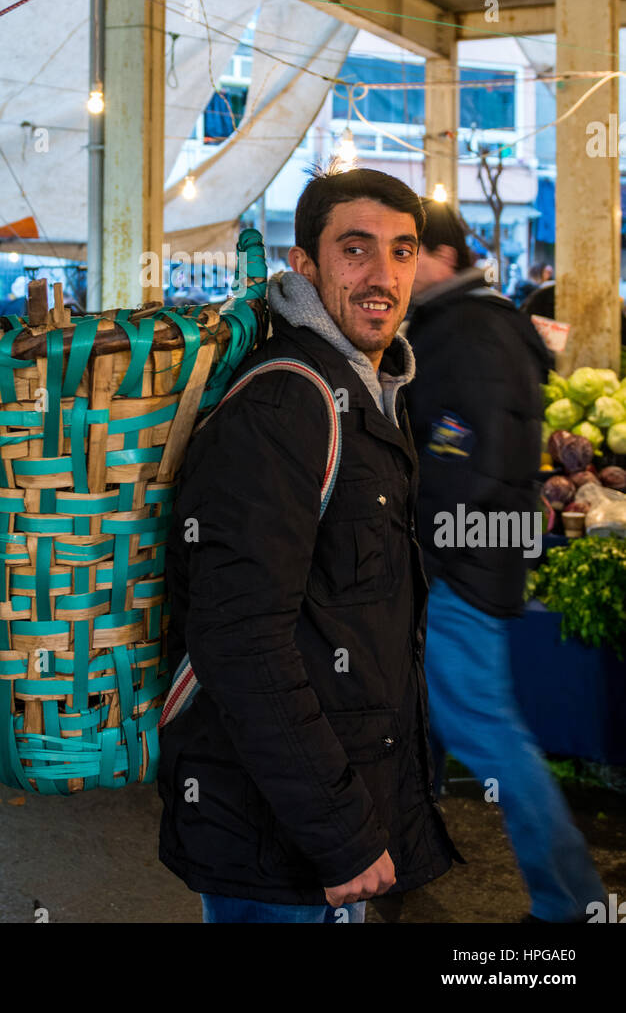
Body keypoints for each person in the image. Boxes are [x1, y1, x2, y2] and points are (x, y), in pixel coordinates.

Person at [158, 167, 457, 923]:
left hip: (321, 827)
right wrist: (343, 837)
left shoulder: (371, 389)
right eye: (355, 250)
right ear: (304, 264)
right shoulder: (288, 401)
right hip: (276, 844)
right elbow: (238, 640)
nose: (382, 276)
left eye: (401, 250)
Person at [405, 201, 606, 923]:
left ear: (447, 258)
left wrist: (427, 549)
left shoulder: (469, 329)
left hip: (460, 566)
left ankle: (571, 900)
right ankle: (400, 861)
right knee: (425, 719)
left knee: (485, 730)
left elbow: (462, 458)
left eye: (408, 252)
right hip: (465, 559)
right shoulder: (466, 321)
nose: (396, 270)